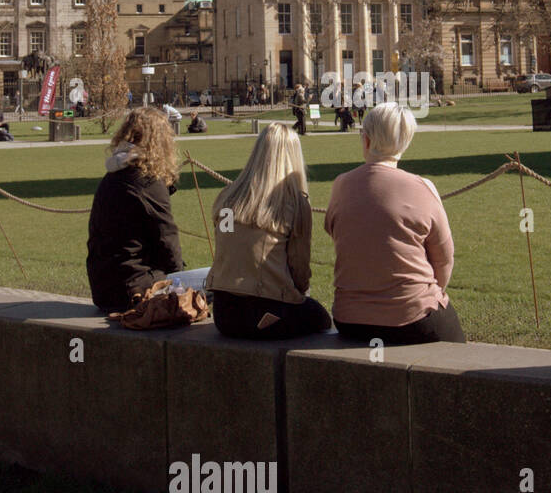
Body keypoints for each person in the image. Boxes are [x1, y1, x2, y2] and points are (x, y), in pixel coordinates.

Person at [325, 104, 464, 344]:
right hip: (413, 316)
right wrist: (432, 295)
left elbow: (338, 234)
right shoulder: (423, 188)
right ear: (405, 142)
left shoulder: (341, 185)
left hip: (350, 319)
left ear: (366, 140)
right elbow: (444, 258)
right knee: (460, 357)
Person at [207, 124, 331, 339]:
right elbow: (299, 267)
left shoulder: (228, 196)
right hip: (264, 312)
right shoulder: (294, 203)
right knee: (320, 317)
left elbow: (227, 249)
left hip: (224, 312)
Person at [86, 109, 189, 313]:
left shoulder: (114, 175)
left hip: (102, 286)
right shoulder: (147, 181)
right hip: (131, 288)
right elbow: (167, 240)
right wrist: (183, 284)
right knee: (208, 285)